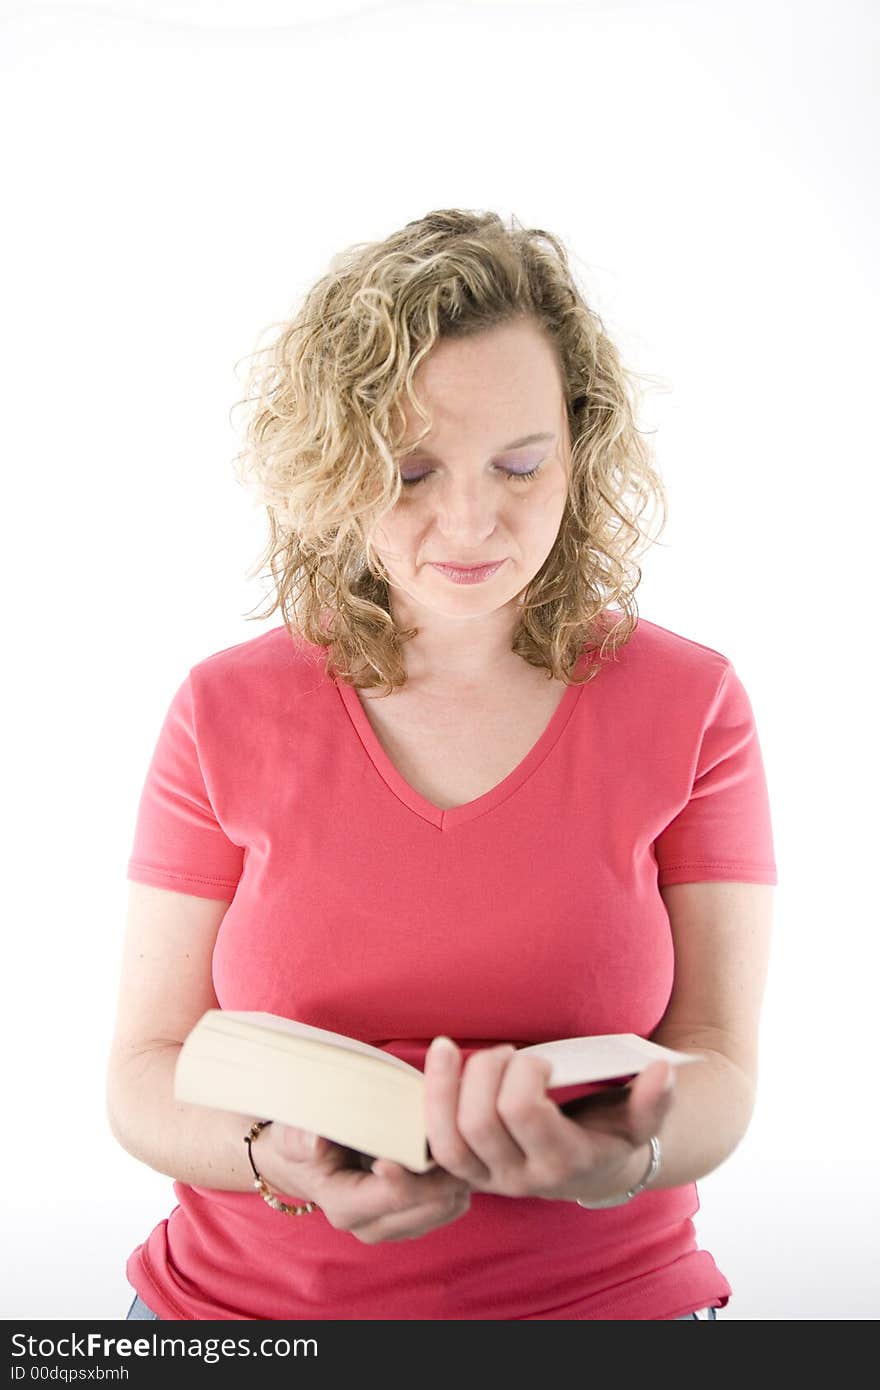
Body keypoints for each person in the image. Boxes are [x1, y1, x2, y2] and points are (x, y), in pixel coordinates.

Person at [106, 208, 776, 1321]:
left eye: (521, 464)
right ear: (335, 466)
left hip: (610, 1310)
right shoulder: (222, 707)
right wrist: (276, 1157)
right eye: (410, 472)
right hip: (239, 1321)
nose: (472, 521)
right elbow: (143, 1069)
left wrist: (616, 1159)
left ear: (581, 443)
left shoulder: (691, 703)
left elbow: (719, 1063)